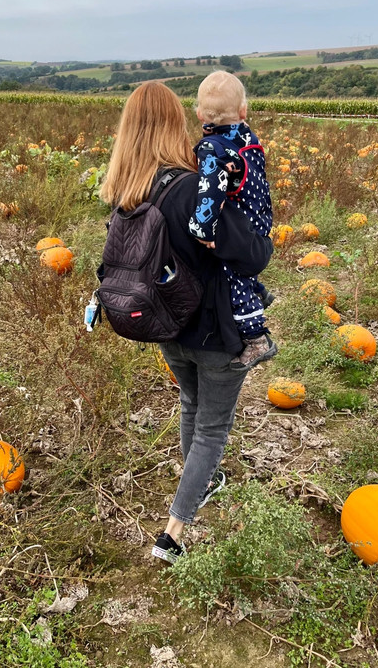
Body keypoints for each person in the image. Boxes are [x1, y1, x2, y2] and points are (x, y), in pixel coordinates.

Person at [100, 82, 274, 564]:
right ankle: (173, 533)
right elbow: (254, 254)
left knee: (191, 402)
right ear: (177, 121)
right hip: (217, 330)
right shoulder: (190, 186)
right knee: (213, 428)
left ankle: (200, 476)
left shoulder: (126, 191)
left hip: (164, 324)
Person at [189, 71, 277, 370]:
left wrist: (202, 228)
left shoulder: (212, 148)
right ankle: (259, 289)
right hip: (260, 218)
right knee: (243, 271)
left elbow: (209, 192)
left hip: (239, 227)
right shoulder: (248, 138)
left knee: (232, 282)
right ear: (243, 111)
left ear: (200, 113)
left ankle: (256, 339)